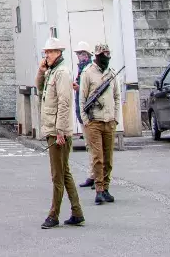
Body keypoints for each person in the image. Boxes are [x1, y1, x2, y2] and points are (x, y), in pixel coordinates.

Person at [39, 37, 85, 229]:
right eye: (46, 52)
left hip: (59, 131)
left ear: (58, 53)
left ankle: (54, 215)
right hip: (53, 128)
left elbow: (64, 104)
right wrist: (41, 71)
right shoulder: (52, 72)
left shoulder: (62, 73)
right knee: (64, 172)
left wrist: (60, 131)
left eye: (50, 52)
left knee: (57, 175)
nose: (46, 55)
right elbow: (39, 87)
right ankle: (77, 212)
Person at [79, 43, 121, 205]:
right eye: (104, 54)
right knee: (98, 158)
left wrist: (115, 117)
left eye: (108, 54)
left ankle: (106, 187)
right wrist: (86, 121)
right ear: (97, 56)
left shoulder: (112, 73)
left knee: (108, 158)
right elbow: (82, 99)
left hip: (109, 122)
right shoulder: (88, 73)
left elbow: (117, 97)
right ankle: (99, 189)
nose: (107, 57)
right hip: (94, 121)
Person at [72, 41, 96, 189]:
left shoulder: (90, 69)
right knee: (89, 145)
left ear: (87, 55)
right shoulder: (81, 69)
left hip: (89, 113)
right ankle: (93, 175)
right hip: (82, 111)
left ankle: (97, 176)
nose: (79, 56)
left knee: (94, 146)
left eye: (81, 54)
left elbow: (91, 90)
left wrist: (79, 88)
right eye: (78, 54)